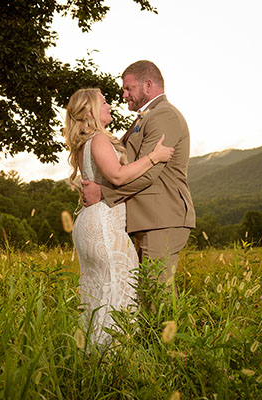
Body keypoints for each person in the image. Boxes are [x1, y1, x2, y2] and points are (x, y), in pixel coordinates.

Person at [64, 88, 174, 344]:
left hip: (88, 225)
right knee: (118, 295)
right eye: (104, 102)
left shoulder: (83, 144)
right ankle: (115, 362)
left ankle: (91, 358)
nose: (110, 105)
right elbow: (117, 176)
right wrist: (154, 157)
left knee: (97, 298)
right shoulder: (99, 140)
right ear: (90, 111)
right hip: (105, 226)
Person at [82, 60, 196, 287]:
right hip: (146, 219)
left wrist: (103, 193)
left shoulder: (165, 116)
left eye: (128, 88)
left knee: (156, 295)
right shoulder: (146, 116)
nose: (123, 95)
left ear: (148, 85)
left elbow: (149, 173)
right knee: (145, 295)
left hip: (161, 219)